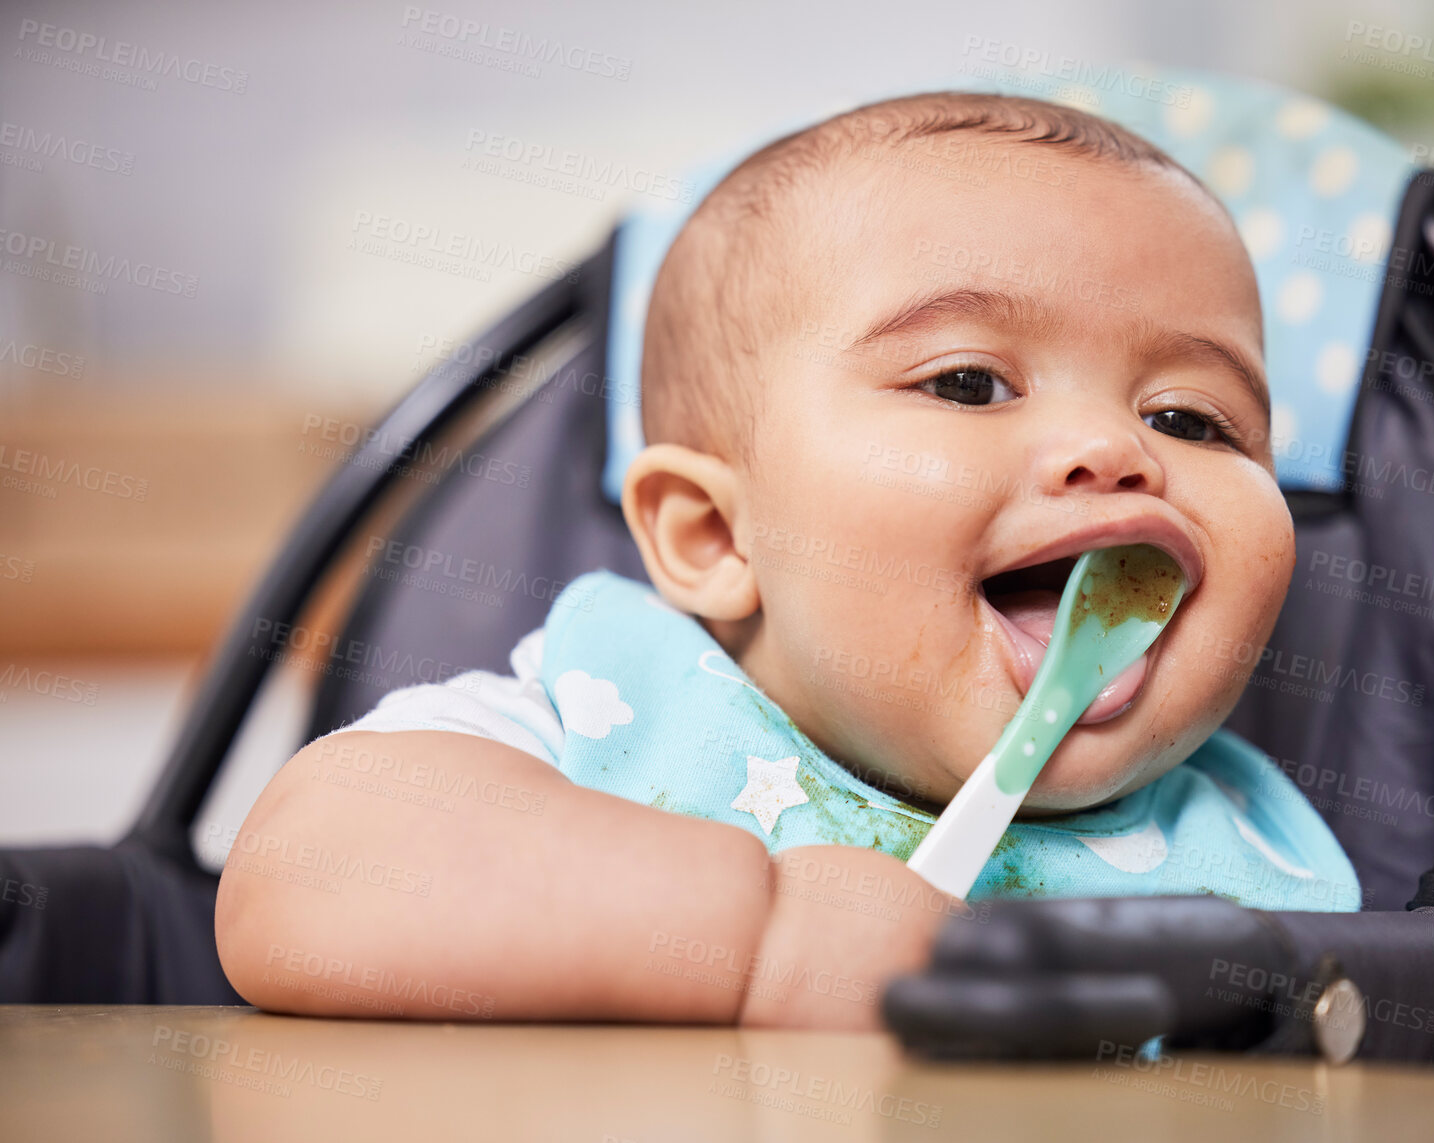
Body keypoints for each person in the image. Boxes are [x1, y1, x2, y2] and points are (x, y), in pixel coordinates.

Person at [215, 91, 1358, 1029]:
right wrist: (763, 936)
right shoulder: (604, 729)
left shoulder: (1254, 889)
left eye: (1194, 420)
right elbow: (306, 872)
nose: (1116, 448)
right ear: (715, 537)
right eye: (968, 382)